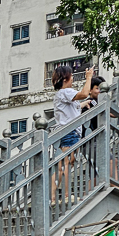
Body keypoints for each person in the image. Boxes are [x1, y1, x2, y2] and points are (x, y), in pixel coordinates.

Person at [51, 64, 95, 205]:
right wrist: (88, 77)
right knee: (65, 165)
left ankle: (54, 197)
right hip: (70, 132)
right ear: (65, 79)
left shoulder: (62, 95)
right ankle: (63, 195)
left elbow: (73, 107)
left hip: (68, 132)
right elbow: (83, 93)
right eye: (71, 76)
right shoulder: (65, 92)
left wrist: (83, 104)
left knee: (64, 165)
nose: (73, 79)